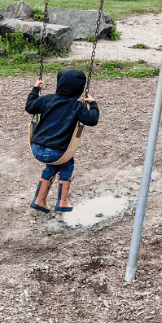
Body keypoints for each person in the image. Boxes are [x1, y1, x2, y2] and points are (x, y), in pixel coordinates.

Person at [24, 66, 100, 214]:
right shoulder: (77, 106)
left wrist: (35, 90)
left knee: (51, 167)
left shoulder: (47, 100)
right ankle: (62, 202)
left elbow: (30, 106)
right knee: (67, 165)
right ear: (79, 88)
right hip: (57, 152)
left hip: (37, 147)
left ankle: (39, 200)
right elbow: (92, 120)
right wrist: (93, 104)